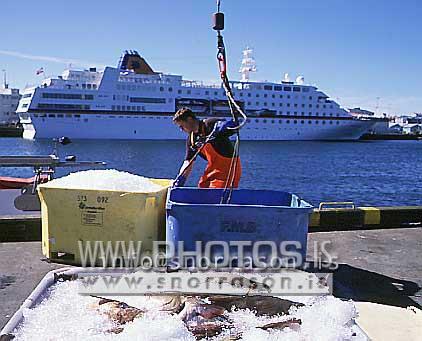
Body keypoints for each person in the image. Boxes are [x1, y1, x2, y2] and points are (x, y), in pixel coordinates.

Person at [173, 107, 241, 188]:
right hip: (212, 169)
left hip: (229, 169)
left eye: (182, 126)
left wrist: (224, 128)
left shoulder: (210, 124)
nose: (181, 130)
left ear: (189, 119)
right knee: (202, 186)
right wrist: (181, 178)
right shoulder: (192, 140)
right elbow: (188, 162)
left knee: (216, 192)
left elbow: (232, 126)